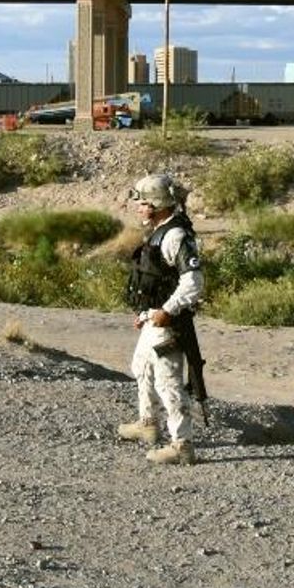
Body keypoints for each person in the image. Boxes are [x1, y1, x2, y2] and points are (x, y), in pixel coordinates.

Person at [118, 173, 206, 466]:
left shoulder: (176, 236)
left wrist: (167, 310)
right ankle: (148, 424)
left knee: (169, 384)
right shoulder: (159, 232)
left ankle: (182, 445)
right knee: (141, 367)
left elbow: (193, 282)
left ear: (157, 204)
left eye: (143, 203)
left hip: (169, 323)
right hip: (154, 319)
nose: (139, 207)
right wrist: (146, 315)